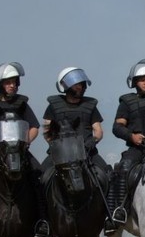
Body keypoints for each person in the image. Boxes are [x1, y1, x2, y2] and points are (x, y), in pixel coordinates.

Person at [0, 62, 49, 237]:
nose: (12, 85)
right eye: (8, 82)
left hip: (19, 153)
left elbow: (34, 126)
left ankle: (42, 220)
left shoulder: (22, 104)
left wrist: (27, 140)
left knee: (40, 177)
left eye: (14, 82)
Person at [41, 67, 111, 225]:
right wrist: (57, 146)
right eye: (77, 85)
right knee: (41, 176)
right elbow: (46, 130)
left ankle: (109, 215)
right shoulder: (53, 105)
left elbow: (98, 130)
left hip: (87, 153)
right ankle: (42, 219)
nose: (81, 87)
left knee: (107, 174)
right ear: (66, 86)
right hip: (59, 155)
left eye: (83, 84)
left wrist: (92, 142)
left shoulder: (90, 105)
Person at [109, 59, 145, 235]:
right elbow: (117, 126)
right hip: (138, 148)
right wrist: (131, 136)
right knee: (123, 168)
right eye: (142, 79)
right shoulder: (126, 102)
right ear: (135, 82)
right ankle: (120, 210)